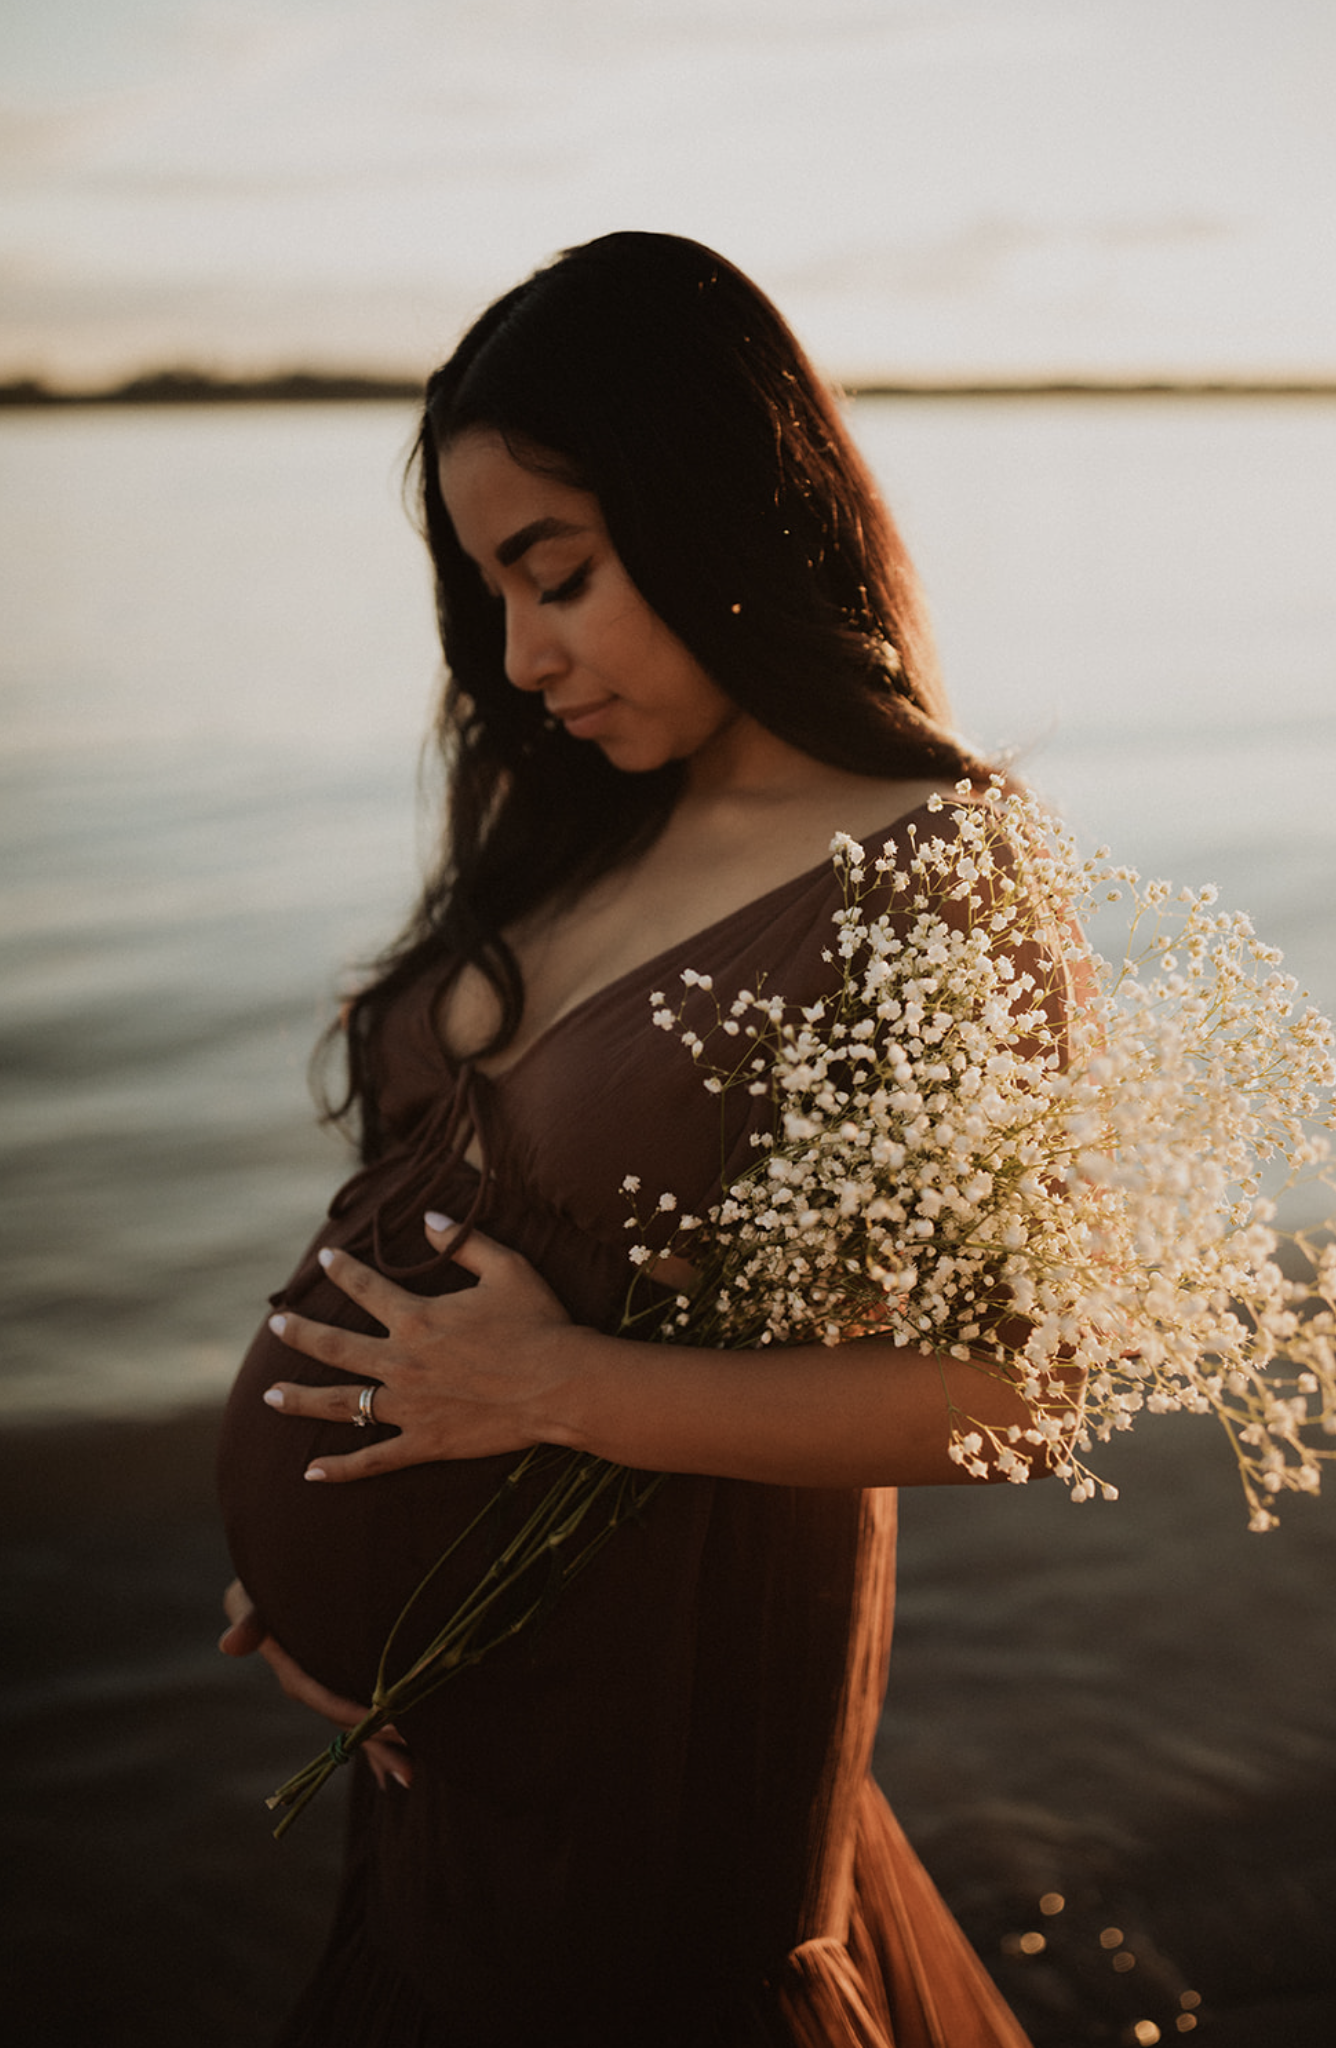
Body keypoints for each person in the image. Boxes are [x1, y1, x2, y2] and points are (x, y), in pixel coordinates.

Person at [217, 231, 1061, 2047]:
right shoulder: (585, 812)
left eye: (561, 576)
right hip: (452, 1747)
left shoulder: (936, 871)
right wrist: (323, 1534)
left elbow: (1022, 1396)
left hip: (661, 1742)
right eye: (488, 596)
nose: (522, 658)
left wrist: (544, 1394)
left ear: (717, 503)